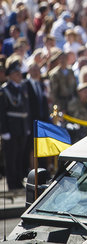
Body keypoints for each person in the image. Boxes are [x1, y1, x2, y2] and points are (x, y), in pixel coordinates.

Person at [0, 59, 30, 189]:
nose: (19, 75)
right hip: (11, 128)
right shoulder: (5, 90)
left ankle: (18, 180)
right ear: (10, 75)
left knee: (20, 155)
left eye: (20, 73)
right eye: (17, 73)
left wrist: (27, 126)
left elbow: (26, 108)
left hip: (22, 126)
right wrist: (3, 130)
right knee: (11, 157)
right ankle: (12, 182)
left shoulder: (22, 87)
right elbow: (1, 112)